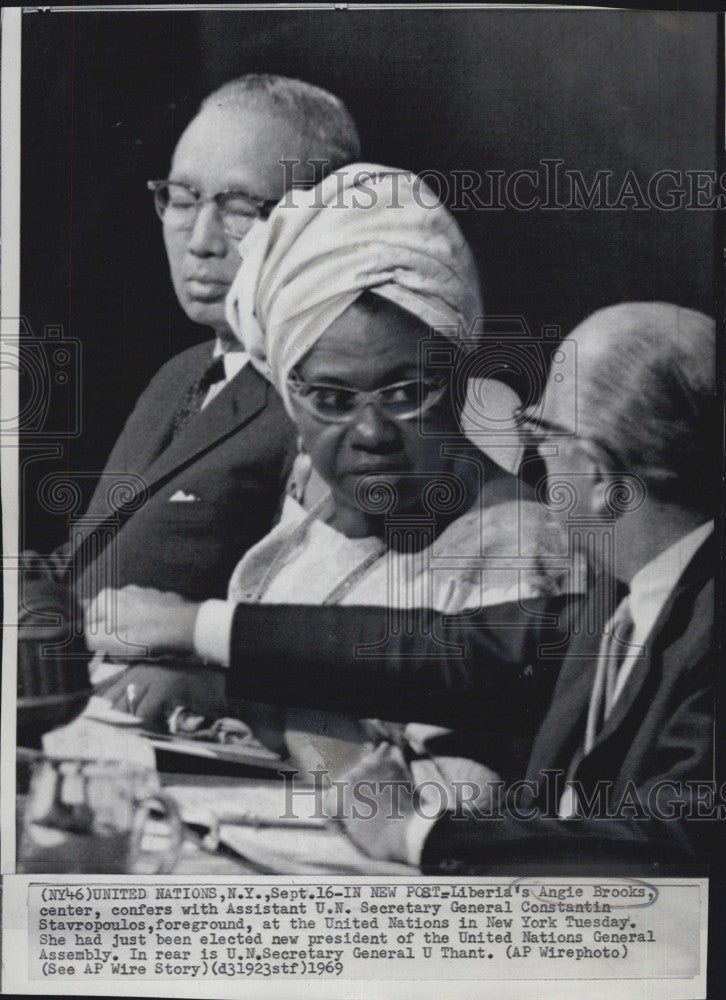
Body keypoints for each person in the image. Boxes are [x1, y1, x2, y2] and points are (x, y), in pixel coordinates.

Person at [87, 301, 715, 868]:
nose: (536, 463)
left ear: (601, 476)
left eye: (543, 436)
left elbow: (673, 843)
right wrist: (200, 628)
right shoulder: (625, 593)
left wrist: (413, 829)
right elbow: (439, 649)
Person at [87, 165, 572, 777]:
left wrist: (242, 700)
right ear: (291, 399)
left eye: (405, 391)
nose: (371, 434)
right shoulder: (311, 526)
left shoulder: (520, 553)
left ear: (456, 378)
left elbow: (456, 804)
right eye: (333, 400)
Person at [19, 74, 361, 711]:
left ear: (319, 222)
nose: (199, 239)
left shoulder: (325, 404)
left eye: (237, 209)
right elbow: (93, 560)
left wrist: (217, 692)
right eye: (181, 198)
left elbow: (341, 647)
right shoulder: (179, 373)